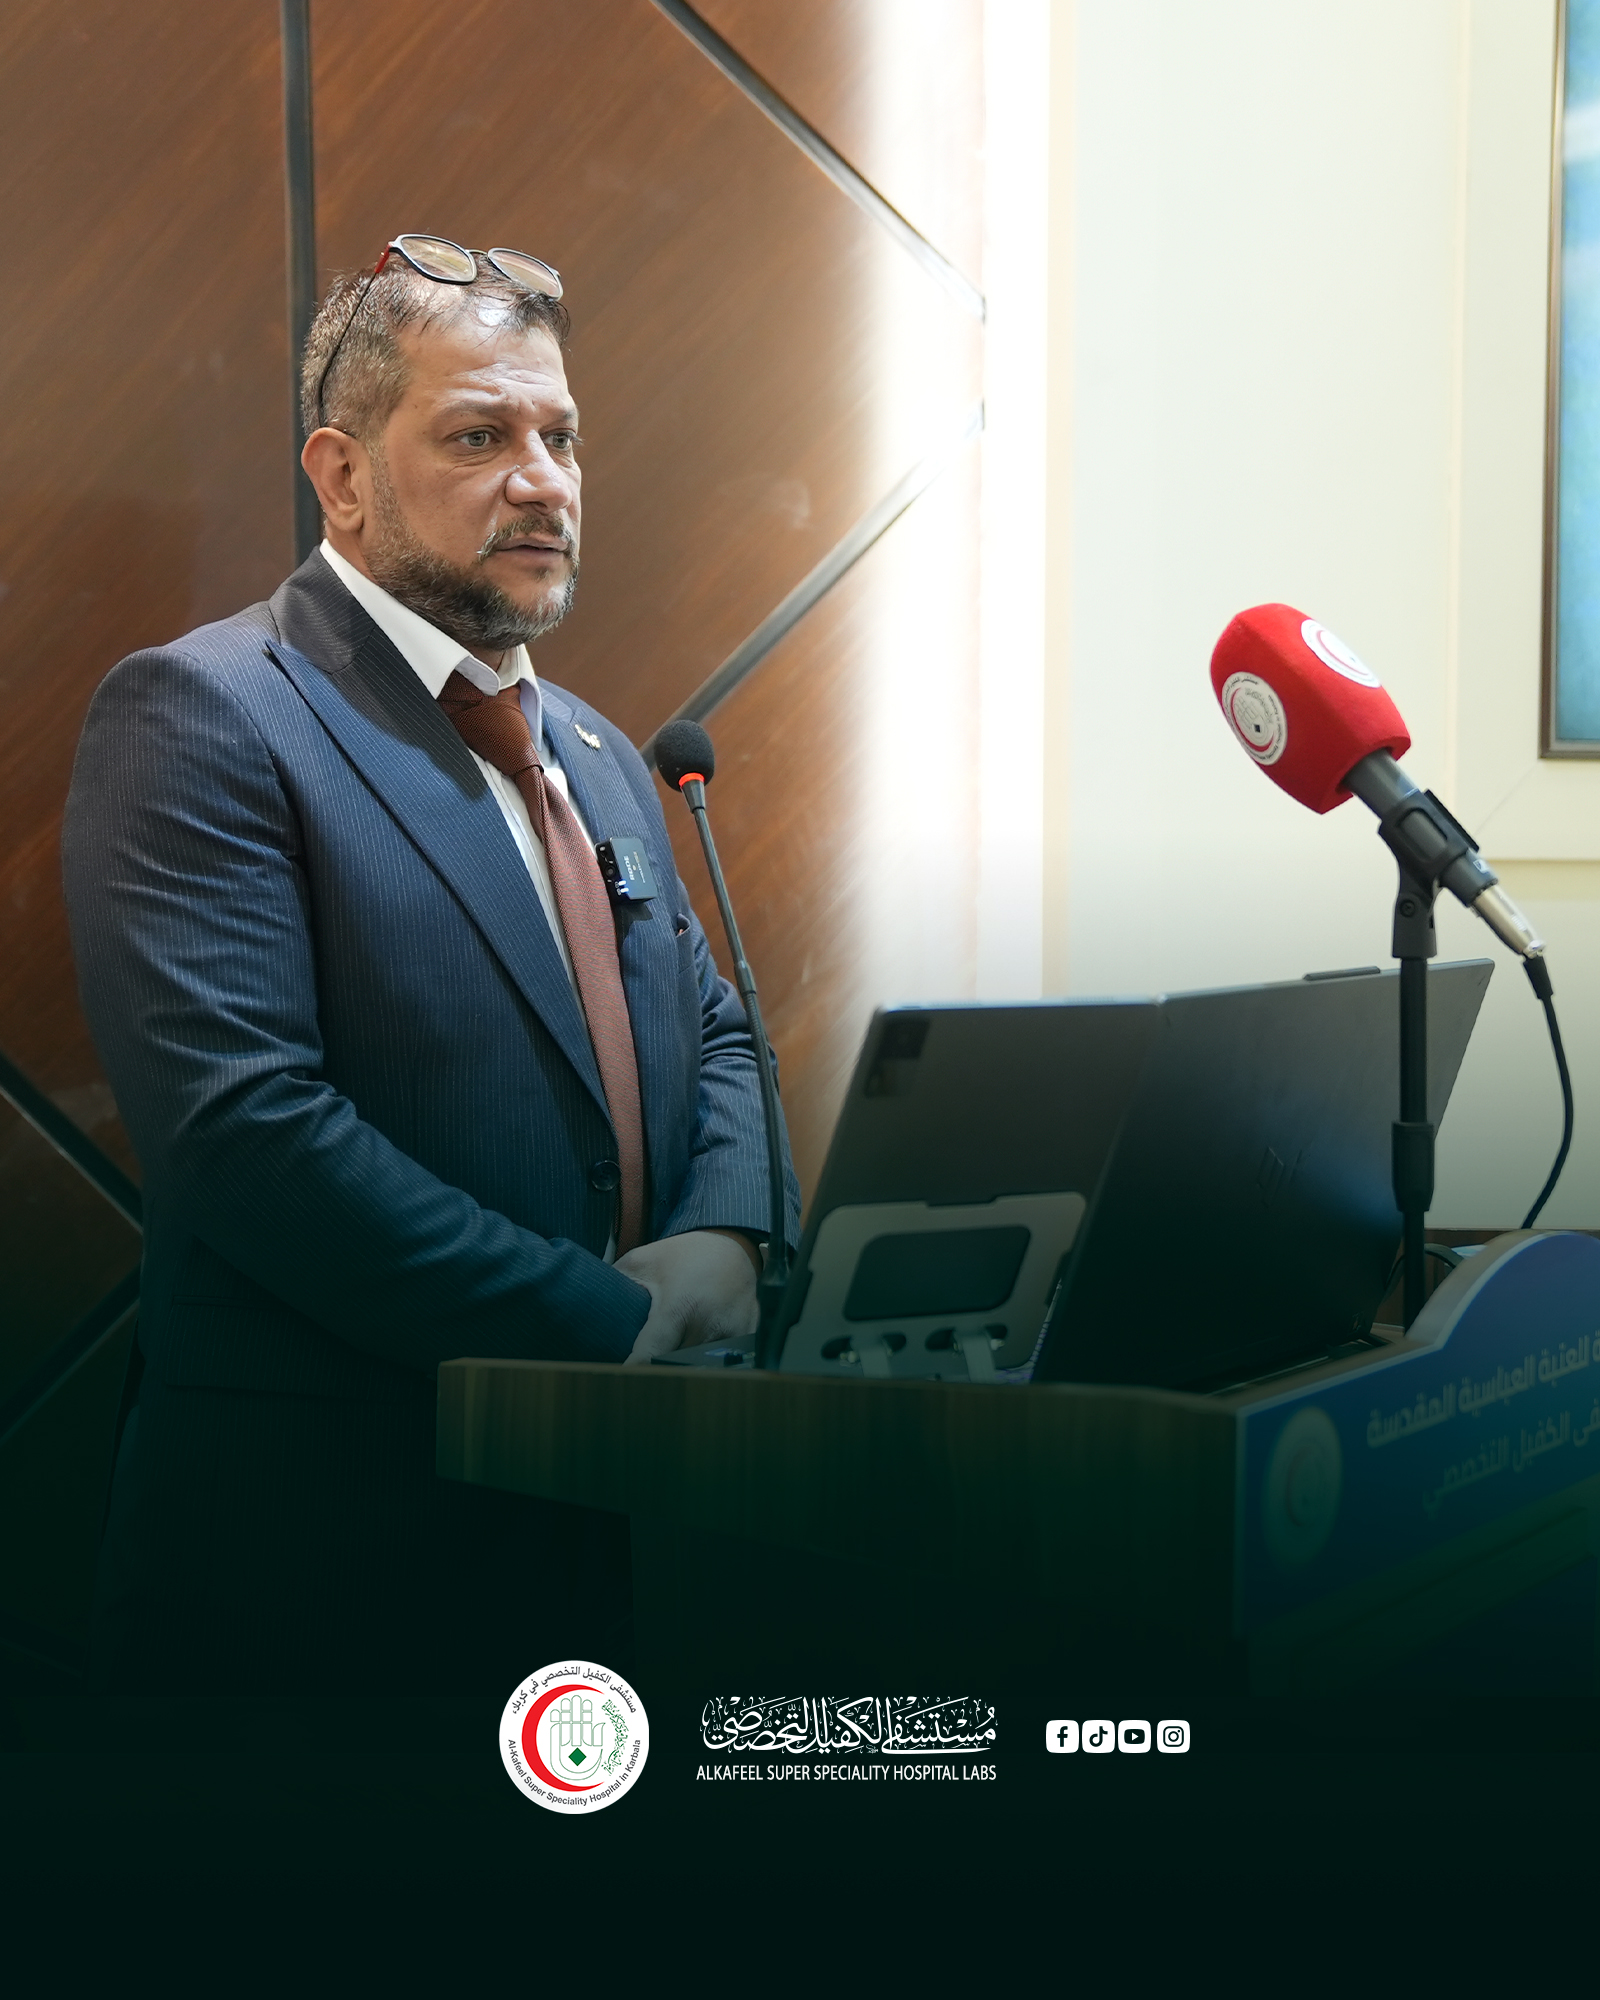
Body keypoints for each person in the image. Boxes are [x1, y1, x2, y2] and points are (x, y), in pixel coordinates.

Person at [61, 234, 798, 1693]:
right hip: (319, 1574)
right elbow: (246, 1132)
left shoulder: (599, 749)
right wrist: (610, 1319)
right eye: (479, 436)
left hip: (605, 1540)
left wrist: (726, 1239)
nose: (543, 481)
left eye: (560, 436)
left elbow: (712, 1028)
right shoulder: (207, 713)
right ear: (341, 476)